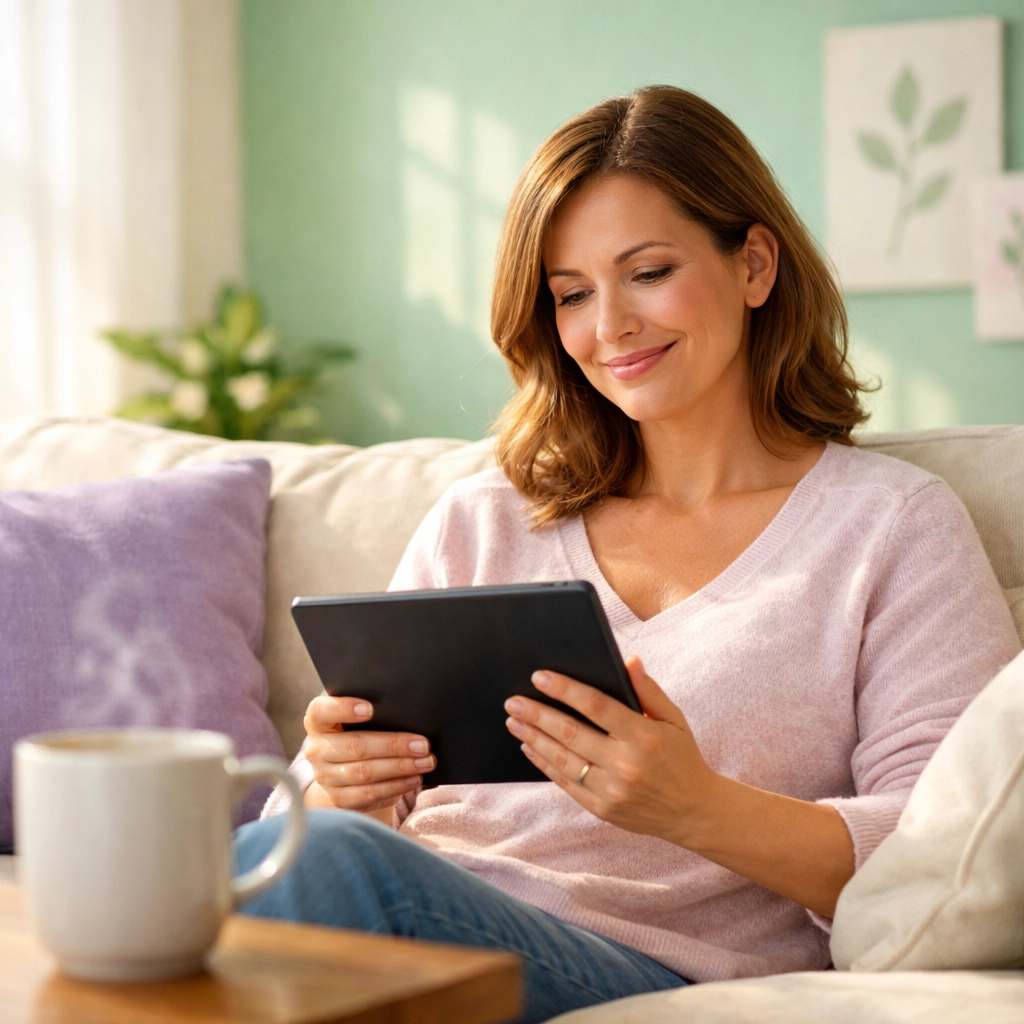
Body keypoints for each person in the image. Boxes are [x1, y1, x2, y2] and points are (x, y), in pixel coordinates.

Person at [235, 86, 1019, 1023]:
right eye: (571, 294)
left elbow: (942, 853)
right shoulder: (483, 519)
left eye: (647, 272)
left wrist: (693, 805)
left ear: (755, 265)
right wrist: (342, 786)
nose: (609, 327)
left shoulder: (890, 527)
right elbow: (296, 837)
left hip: (642, 967)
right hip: (407, 904)